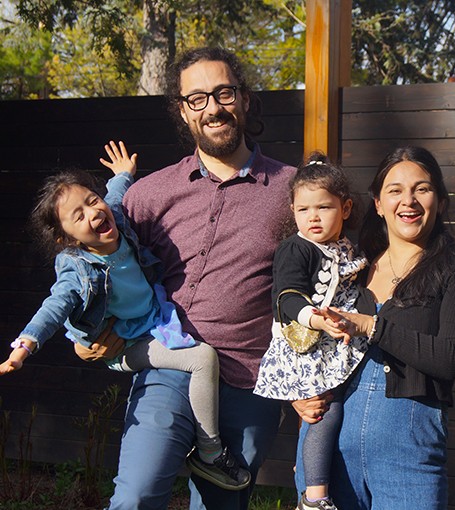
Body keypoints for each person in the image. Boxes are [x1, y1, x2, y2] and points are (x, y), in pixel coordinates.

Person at [103, 47, 295, 510]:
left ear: (244, 100)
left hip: (250, 383)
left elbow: (325, 276)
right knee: (135, 496)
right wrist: (90, 332)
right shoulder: (149, 194)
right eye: (197, 99)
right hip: (169, 365)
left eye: (223, 93)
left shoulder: (292, 191)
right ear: (184, 112)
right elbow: (102, 263)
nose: (212, 108)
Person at [0, 141, 250, 491]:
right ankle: (209, 451)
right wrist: (25, 345)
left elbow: (114, 194)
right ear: (64, 238)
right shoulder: (76, 269)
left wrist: (123, 174)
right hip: (126, 344)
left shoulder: (112, 216)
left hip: (152, 318)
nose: (93, 212)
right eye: (79, 215)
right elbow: (53, 308)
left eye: (92, 200)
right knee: (203, 358)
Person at [293, 146, 455, 509]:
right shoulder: (353, 265)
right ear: (379, 203)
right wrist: (300, 394)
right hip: (328, 457)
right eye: (395, 190)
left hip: (407, 459)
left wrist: (372, 326)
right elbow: (302, 337)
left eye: (422, 188)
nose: (409, 200)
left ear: (441, 201)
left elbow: (453, 357)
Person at [254, 152, 368, 510]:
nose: (313, 217)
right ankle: (314, 497)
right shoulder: (295, 249)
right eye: (303, 210)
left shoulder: (347, 249)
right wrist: (317, 319)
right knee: (323, 411)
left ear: (346, 208)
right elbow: (286, 296)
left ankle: (309, 469)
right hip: (304, 345)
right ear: (292, 211)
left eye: (324, 207)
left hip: (338, 341)